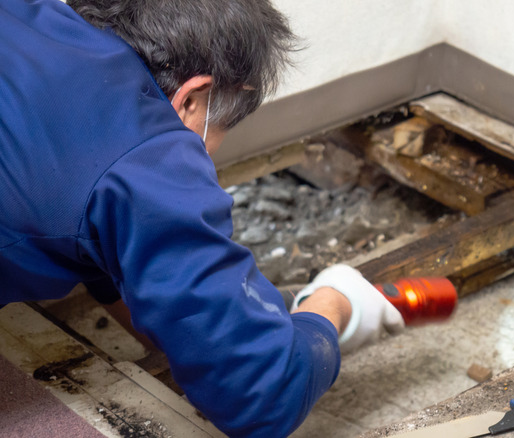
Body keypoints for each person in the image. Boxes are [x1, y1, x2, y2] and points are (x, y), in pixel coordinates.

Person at [0, 0, 404, 436]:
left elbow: (84, 203)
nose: (207, 154)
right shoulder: (147, 159)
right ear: (192, 98)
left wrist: (206, 328)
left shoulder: (25, 16)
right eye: (220, 133)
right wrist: (334, 306)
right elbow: (263, 399)